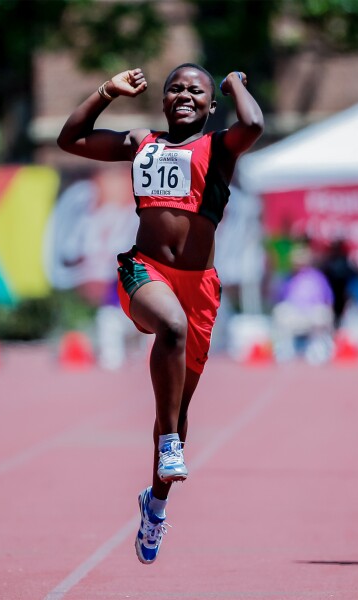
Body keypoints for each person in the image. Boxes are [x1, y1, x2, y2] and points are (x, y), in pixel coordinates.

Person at [57, 64, 263, 564]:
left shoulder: (220, 146)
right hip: (144, 272)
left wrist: (235, 81)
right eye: (176, 88)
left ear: (211, 105)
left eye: (197, 90)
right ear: (163, 100)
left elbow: (253, 125)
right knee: (168, 328)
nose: (185, 94)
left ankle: (156, 505)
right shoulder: (141, 141)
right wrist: (107, 90)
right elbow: (71, 139)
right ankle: (170, 440)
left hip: (200, 290)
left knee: (178, 403)